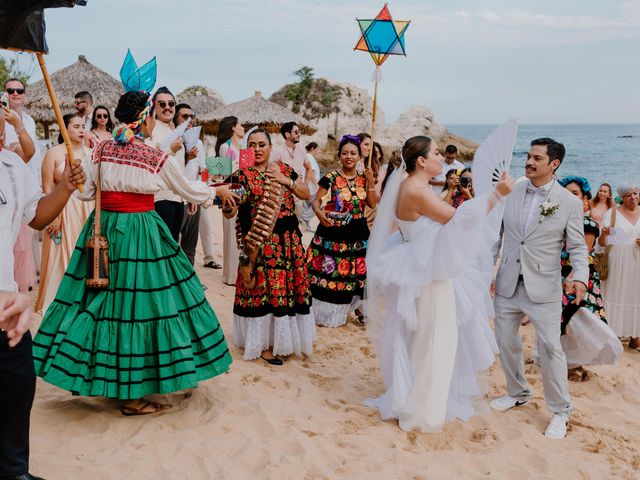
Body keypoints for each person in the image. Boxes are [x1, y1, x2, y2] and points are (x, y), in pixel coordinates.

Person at [32, 90, 236, 416]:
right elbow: (187, 188)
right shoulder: (154, 155)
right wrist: (218, 190)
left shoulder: (100, 152)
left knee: (103, 304)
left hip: (105, 231)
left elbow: (85, 193)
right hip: (141, 232)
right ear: (147, 118)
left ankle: (112, 382)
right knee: (140, 306)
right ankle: (132, 393)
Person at [364, 135, 514, 432]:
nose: (438, 157)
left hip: (416, 266)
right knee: (435, 340)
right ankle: (424, 412)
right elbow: (456, 220)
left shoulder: (410, 185)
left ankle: (415, 399)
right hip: (427, 275)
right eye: (434, 153)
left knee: (420, 340)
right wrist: (496, 195)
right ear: (421, 161)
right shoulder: (417, 189)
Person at [1, 105, 87, 480]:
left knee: (18, 381)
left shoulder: (11, 165)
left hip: (7, 301)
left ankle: (13, 469)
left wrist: (66, 187)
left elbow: (35, 215)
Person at [491, 138, 589, 439]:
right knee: (506, 341)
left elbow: (577, 247)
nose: (529, 162)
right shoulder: (512, 191)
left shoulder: (569, 202)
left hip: (544, 286)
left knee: (549, 349)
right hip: (507, 280)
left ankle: (561, 410)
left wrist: (580, 276)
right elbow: (497, 235)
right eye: (528, 156)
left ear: (554, 164)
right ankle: (518, 392)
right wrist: (485, 271)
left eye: (536, 158)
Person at [224, 128, 315, 365]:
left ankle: (280, 341)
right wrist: (228, 207)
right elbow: (232, 207)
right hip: (260, 243)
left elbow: (306, 193)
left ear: (270, 147)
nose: (257, 149)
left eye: (261, 144)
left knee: (287, 291)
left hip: (288, 241)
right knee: (263, 293)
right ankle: (263, 345)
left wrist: (286, 181)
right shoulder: (241, 175)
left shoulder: (283, 169)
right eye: (252, 145)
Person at [307, 135, 378, 327]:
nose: (349, 156)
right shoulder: (330, 178)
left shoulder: (365, 178)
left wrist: (371, 183)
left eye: (353, 153)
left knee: (358, 274)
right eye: (345, 153)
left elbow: (372, 203)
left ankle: (360, 311)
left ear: (359, 156)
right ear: (339, 156)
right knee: (333, 272)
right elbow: (316, 200)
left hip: (359, 232)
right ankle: (330, 315)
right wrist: (319, 212)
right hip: (334, 231)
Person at [35, 114, 93, 313]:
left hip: (86, 208)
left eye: (83, 126)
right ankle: (57, 302)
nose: (81, 130)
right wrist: (55, 215)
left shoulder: (90, 153)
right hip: (62, 208)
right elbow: (47, 187)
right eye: (76, 126)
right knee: (60, 255)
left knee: (86, 255)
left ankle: (82, 301)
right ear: (64, 129)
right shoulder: (54, 153)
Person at [558, 176, 613, 382]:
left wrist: (573, 279)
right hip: (558, 274)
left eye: (575, 194)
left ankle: (576, 365)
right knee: (558, 320)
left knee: (576, 320)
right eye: (566, 194)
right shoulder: (558, 220)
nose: (570, 198)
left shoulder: (588, 223)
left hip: (579, 276)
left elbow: (583, 254)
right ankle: (558, 360)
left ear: (584, 199)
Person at [597, 182, 640, 350]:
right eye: (629, 195)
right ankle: (611, 334)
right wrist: (604, 234)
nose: (633, 197)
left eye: (636, 193)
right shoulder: (612, 213)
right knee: (615, 293)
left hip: (637, 261)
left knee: (636, 295)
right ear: (622, 198)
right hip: (617, 261)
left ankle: (635, 336)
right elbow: (600, 244)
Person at [148, 87, 186, 241]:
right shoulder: (152, 130)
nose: (167, 107)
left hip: (178, 198)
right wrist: (170, 149)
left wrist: (187, 197)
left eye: (171, 103)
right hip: (161, 198)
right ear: (154, 107)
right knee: (162, 247)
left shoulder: (177, 131)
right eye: (162, 104)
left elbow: (180, 168)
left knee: (173, 245)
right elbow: (150, 162)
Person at [216, 116, 244, 280]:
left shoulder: (240, 147)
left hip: (242, 192)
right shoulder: (225, 148)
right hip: (231, 192)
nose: (242, 128)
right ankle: (231, 275)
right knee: (231, 233)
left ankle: (237, 272)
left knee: (240, 233)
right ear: (233, 128)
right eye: (240, 125)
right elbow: (226, 173)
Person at [174, 103, 202, 266]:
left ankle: (190, 279)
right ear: (177, 118)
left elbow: (199, 170)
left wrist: (196, 194)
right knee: (174, 243)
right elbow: (174, 171)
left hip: (193, 196)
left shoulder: (197, 143)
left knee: (190, 244)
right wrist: (187, 157)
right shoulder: (173, 140)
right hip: (177, 198)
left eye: (192, 117)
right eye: (185, 116)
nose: (189, 120)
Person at [270, 121, 313, 221]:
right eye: (296, 132)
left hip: (298, 191)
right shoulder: (278, 151)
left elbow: (309, 168)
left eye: (299, 132)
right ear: (287, 134)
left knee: (296, 221)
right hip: (282, 194)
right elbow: (272, 171)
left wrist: (305, 185)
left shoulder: (301, 150)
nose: (299, 134)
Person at [299, 141, 320, 231]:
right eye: (317, 149)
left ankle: (307, 225)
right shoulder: (310, 157)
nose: (318, 151)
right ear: (312, 148)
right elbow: (311, 172)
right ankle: (303, 218)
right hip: (311, 188)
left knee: (307, 206)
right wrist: (316, 186)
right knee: (317, 204)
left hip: (308, 187)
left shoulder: (307, 157)